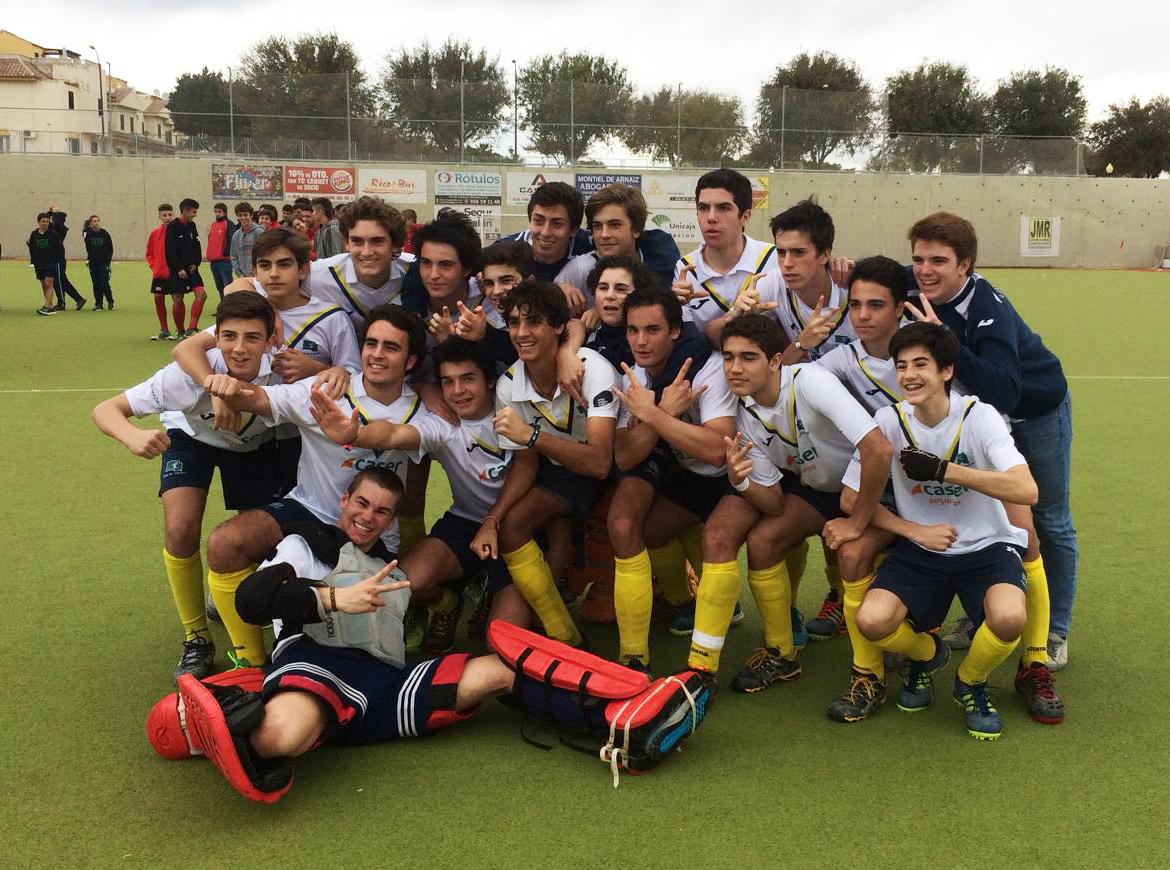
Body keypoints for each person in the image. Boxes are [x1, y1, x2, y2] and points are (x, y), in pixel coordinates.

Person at [148, 469, 711, 803]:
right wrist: (330, 599)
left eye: (383, 511)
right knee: (280, 739)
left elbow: (433, 596)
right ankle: (226, 718)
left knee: (499, 669)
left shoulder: (393, 568)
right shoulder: (307, 547)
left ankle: (629, 719)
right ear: (345, 501)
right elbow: (251, 600)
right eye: (361, 504)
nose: (369, 517)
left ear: (393, 520)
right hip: (319, 664)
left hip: (389, 685)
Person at [199, 304, 434, 668]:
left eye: (391, 347)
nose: (376, 354)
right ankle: (249, 662)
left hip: (370, 529)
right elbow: (259, 399)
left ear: (410, 360)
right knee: (225, 543)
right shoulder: (325, 389)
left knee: (359, 632)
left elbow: (413, 434)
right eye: (371, 343)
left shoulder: (425, 409)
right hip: (308, 510)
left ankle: (437, 604)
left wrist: (354, 432)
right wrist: (226, 388)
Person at [905, 213, 1076, 673]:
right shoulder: (916, 282)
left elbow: (1007, 389)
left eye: (939, 261)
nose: (925, 270)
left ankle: (1055, 628)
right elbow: (875, 278)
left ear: (966, 265)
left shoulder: (987, 308)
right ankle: (981, 613)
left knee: (1048, 519)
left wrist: (946, 344)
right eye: (918, 259)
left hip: (1034, 410)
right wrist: (843, 266)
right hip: (981, 418)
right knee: (981, 513)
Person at [848, 322, 1037, 740]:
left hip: (987, 546)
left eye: (921, 364)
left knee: (1008, 618)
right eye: (902, 366)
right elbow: (850, 500)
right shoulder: (888, 420)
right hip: (922, 548)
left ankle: (970, 680)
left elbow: (1026, 489)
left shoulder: (979, 415)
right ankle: (930, 653)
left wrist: (944, 470)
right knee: (872, 621)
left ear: (946, 371)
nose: (910, 375)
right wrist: (911, 529)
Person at [689, 314, 892, 693]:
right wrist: (742, 480)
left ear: (775, 361)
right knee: (764, 540)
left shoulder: (811, 381)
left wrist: (859, 520)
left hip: (879, 487)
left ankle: (871, 673)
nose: (735, 368)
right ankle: (781, 653)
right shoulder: (746, 412)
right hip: (821, 491)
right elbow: (773, 503)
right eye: (729, 357)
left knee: (852, 553)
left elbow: (878, 448)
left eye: (748, 357)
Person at [91, 291, 285, 682]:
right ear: (216, 337)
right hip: (191, 439)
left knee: (255, 539)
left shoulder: (284, 373)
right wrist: (131, 436)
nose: (240, 348)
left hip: (256, 447)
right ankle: (196, 636)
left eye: (252, 338)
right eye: (229, 336)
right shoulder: (186, 375)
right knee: (180, 529)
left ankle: (246, 617)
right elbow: (106, 409)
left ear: (270, 341)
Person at [307, 338, 520, 654]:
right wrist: (356, 434)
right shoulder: (443, 424)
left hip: (518, 528)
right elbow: (394, 434)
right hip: (466, 522)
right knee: (406, 584)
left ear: (490, 381)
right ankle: (450, 602)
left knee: (498, 644)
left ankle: (494, 590)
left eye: (468, 379)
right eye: (448, 382)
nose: (458, 390)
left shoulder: (514, 412)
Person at [471, 281, 619, 648]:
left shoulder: (592, 368)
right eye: (514, 323)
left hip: (614, 464)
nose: (521, 333)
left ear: (557, 326)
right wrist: (492, 519)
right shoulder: (509, 385)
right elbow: (525, 465)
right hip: (563, 468)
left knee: (615, 522)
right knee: (515, 527)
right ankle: (562, 635)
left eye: (533, 322)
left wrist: (532, 437)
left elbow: (601, 461)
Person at [172, 227, 362, 493]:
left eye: (284, 265)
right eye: (265, 265)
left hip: (301, 434)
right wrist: (216, 389)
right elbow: (186, 349)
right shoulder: (249, 310)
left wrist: (316, 368)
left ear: (303, 269)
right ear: (255, 272)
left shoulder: (331, 317)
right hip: (252, 433)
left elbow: (352, 374)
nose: (274, 273)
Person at [607, 287, 737, 669]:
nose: (641, 341)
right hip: (683, 467)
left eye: (652, 330)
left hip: (733, 476)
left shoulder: (708, 368)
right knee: (641, 527)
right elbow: (626, 455)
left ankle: (718, 645)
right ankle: (676, 610)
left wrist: (657, 417)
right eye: (632, 330)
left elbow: (718, 450)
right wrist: (660, 412)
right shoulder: (628, 374)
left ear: (676, 331)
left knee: (737, 541)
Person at [669, 169, 779, 338]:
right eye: (703, 208)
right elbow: (686, 341)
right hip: (704, 361)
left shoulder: (774, 258)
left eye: (723, 208)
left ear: (745, 217)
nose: (711, 217)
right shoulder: (685, 269)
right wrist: (673, 308)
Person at [555, 183, 681, 307]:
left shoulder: (662, 257)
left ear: (637, 229)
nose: (604, 234)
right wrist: (558, 288)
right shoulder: (580, 269)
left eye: (614, 225)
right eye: (597, 226)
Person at [499, 181, 592, 281]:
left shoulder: (590, 244)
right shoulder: (503, 250)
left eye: (557, 224)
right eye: (538, 221)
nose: (545, 232)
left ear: (574, 230)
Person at [165, 197, 207, 338]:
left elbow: (196, 245)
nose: (195, 215)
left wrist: (196, 263)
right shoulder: (172, 227)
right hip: (178, 271)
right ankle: (180, 331)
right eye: (193, 212)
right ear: (185, 211)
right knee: (178, 299)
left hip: (192, 269)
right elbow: (170, 251)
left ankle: (191, 328)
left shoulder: (192, 225)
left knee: (201, 295)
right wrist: (179, 269)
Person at [146, 203, 180, 339]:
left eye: (170, 215)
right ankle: (164, 330)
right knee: (158, 300)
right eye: (164, 215)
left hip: (175, 273)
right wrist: (155, 267)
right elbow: (150, 253)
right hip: (159, 274)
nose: (168, 217)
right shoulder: (155, 233)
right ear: (160, 217)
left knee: (177, 301)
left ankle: (180, 330)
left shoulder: (178, 232)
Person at [46, 205, 87, 310]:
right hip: (53, 258)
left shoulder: (60, 228)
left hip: (58, 258)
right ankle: (77, 299)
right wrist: (50, 213)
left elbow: (56, 221)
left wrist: (54, 212)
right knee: (61, 281)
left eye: (53, 218)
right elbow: (45, 219)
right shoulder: (54, 227)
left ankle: (63, 303)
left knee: (59, 281)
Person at [28, 211, 66, 316]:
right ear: (38, 222)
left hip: (51, 263)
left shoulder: (53, 234)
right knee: (44, 285)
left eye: (47, 221)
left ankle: (46, 306)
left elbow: (59, 248)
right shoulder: (34, 234)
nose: (45, 223)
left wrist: (56, 260)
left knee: (49, 284)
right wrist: (33, 261)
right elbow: (32, 248)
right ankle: (50, 306)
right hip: (39, 264)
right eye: (43, 221)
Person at [83, 215, 114, 311]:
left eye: (97, 221)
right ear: (90, 223)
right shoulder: (88, 235)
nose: (96, 223)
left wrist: (108, 261)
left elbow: (110, 248)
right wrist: (90, 259)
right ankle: (98, 304)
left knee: (104, 282)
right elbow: (88, 248)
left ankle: (110, 301)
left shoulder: (105, 234)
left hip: (103, 263)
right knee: (96, 284)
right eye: (94, 221)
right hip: (93, 263)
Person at [206, 202, 237, 298]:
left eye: (219, 211)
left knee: (227, 286)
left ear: (225, 212)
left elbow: (231, 239)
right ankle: (223, 307)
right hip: (214, 261)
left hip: (224, 261)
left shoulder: (229, 224)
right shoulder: (213, 225)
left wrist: (226, 253)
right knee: (219, 286)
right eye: (215, 211)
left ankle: (230, 308)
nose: (217, 214)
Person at [229, 203, 263, 278]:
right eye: (240, 215)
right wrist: (239, 274)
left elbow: (265, 253)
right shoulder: (236, 235)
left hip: (258, 276)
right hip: (242, 276)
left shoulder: (259, 232)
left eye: (245, 215)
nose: (243, 218)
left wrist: (258, 272)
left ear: (251, 215)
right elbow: (233, 256)